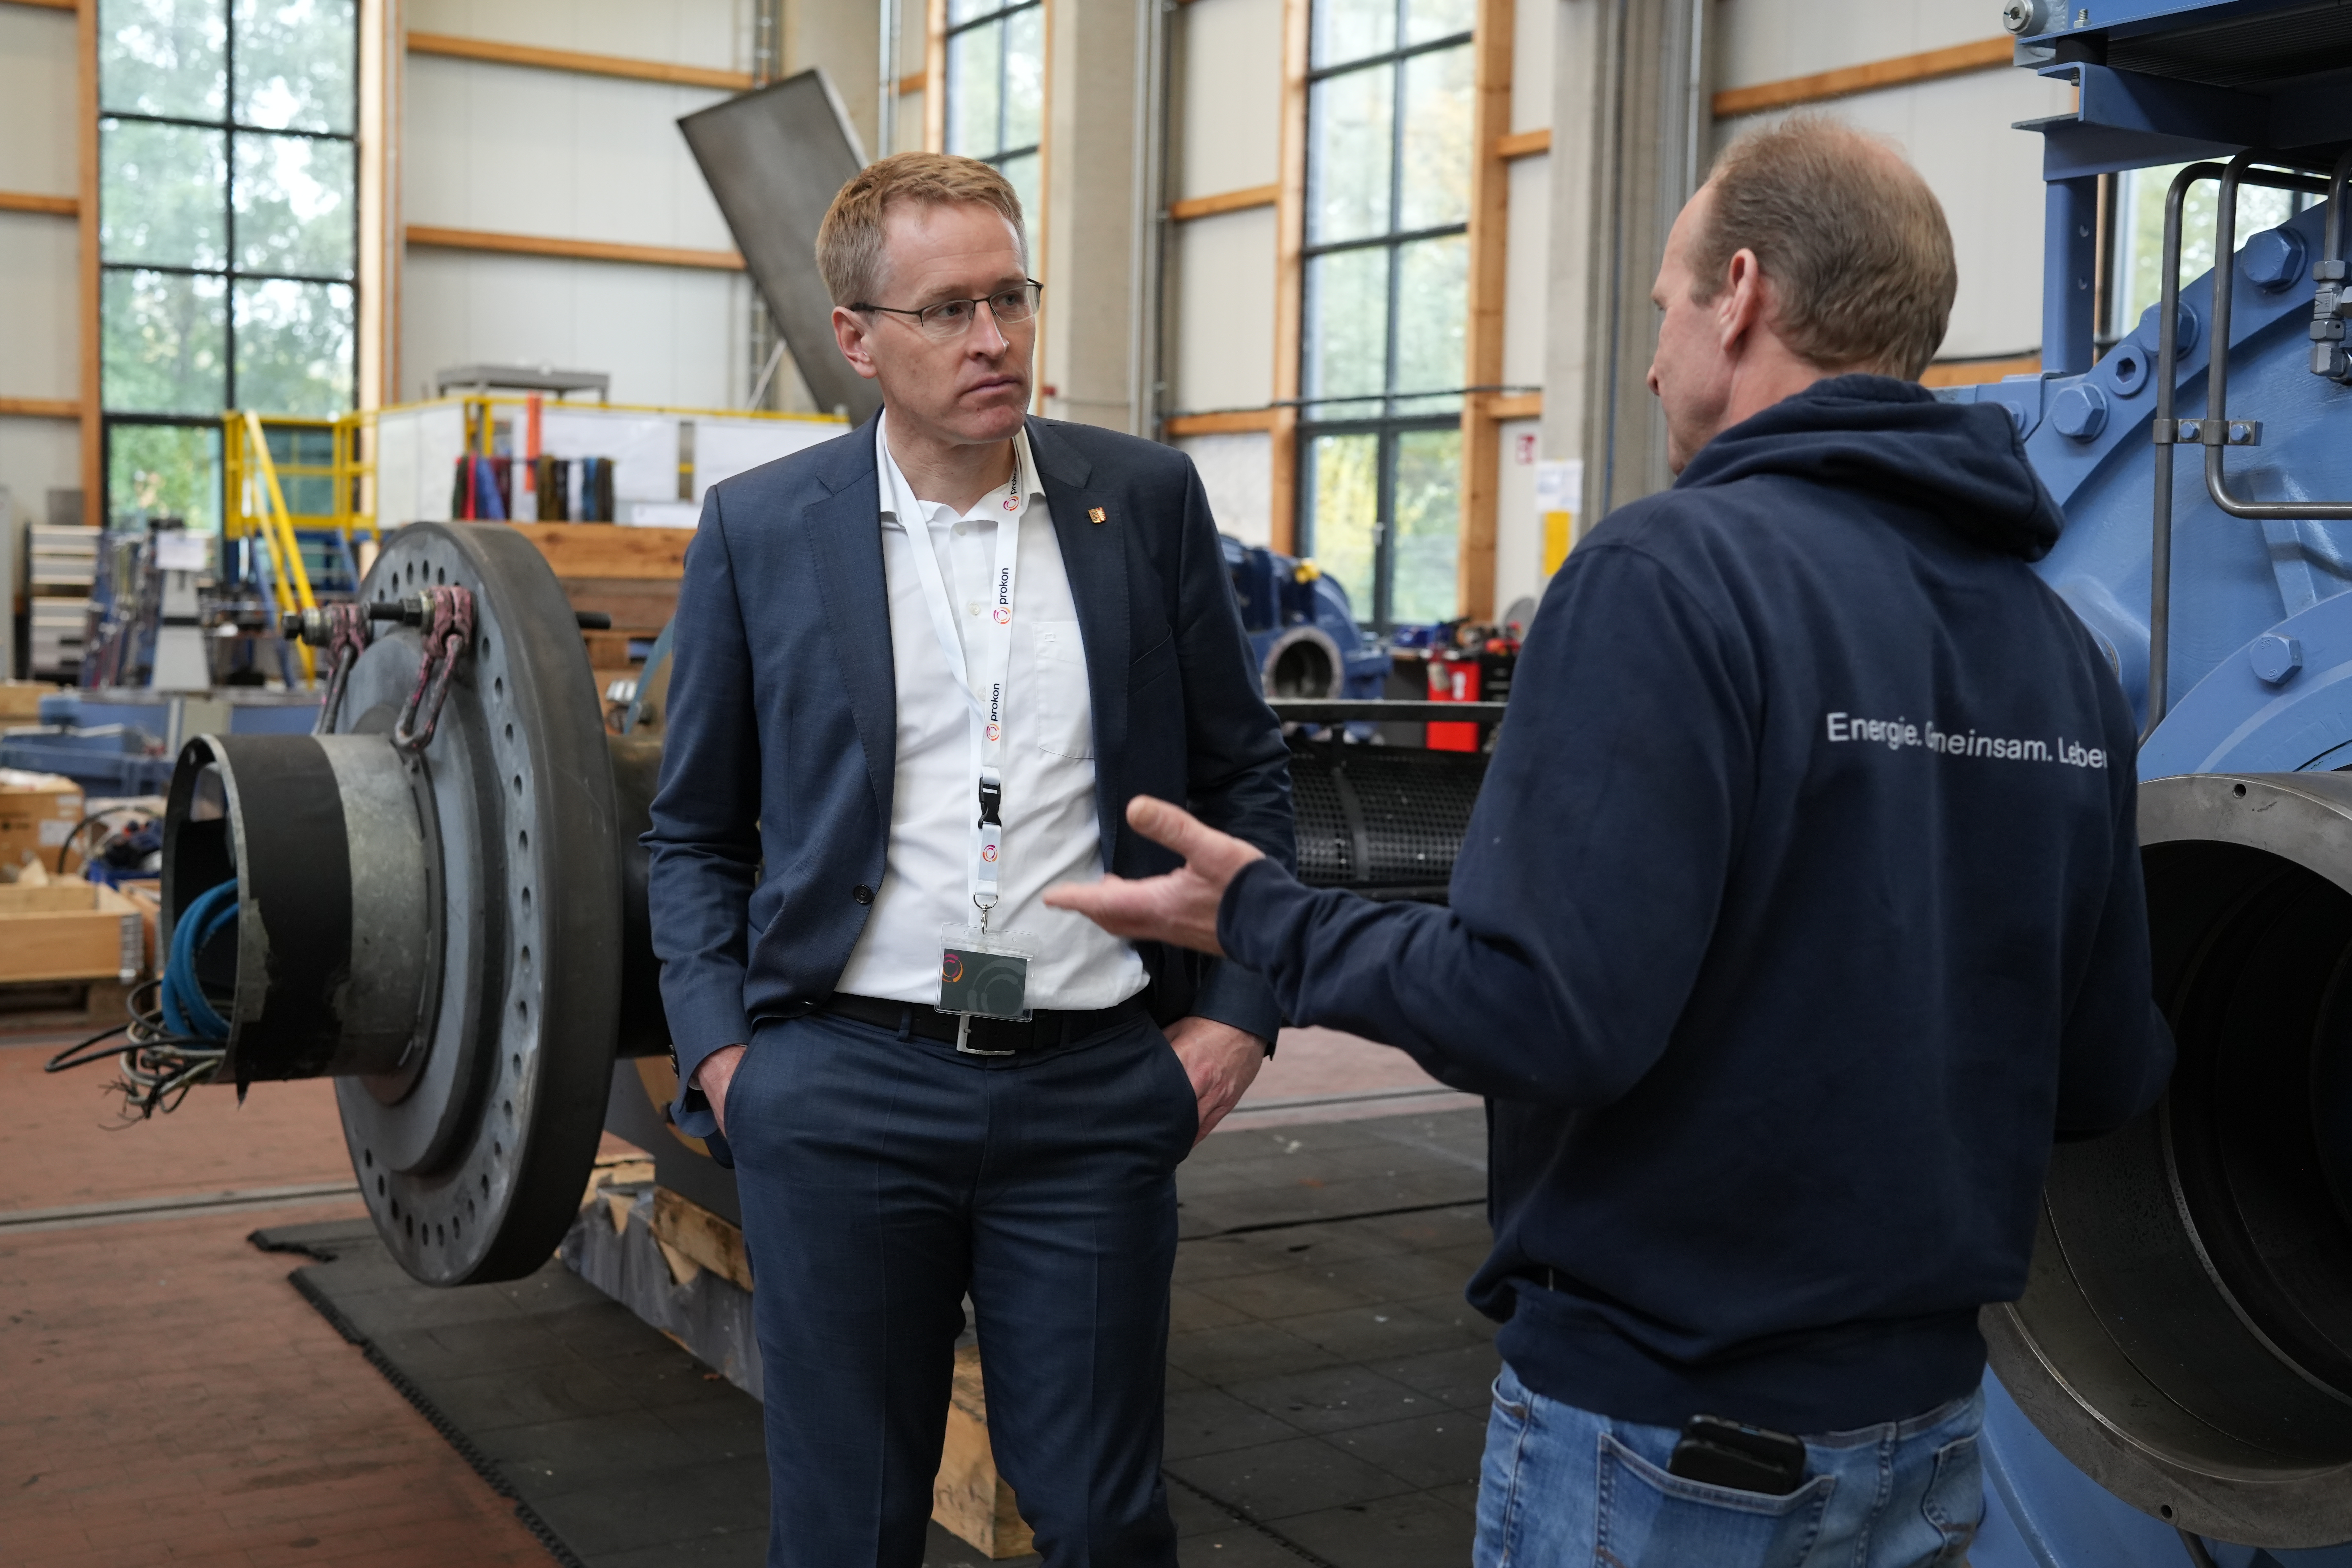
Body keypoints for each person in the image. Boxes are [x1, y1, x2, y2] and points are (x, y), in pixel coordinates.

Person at [1046, 118, 2172, 1567]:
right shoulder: (2057, 644)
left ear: (1743, 293)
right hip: (1931, 1440)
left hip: (1675, 1443)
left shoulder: (1670, 574)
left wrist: (1266, 917)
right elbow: (2105, 1072)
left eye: (1661, 308)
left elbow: (1542, 1010)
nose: (1649, 362)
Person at [643, 151, 1293, 1567]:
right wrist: (727, 1061)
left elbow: (1245, 774)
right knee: (847, 1525)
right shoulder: (765, 531)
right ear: (857, 339)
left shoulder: (1143, 502)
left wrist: (1239, 1015)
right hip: (843, 1088)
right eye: (946, 311)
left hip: (1093, 1094)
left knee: (1110, 1520)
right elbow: (693, 828)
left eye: (1010, 296)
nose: (993, 339)